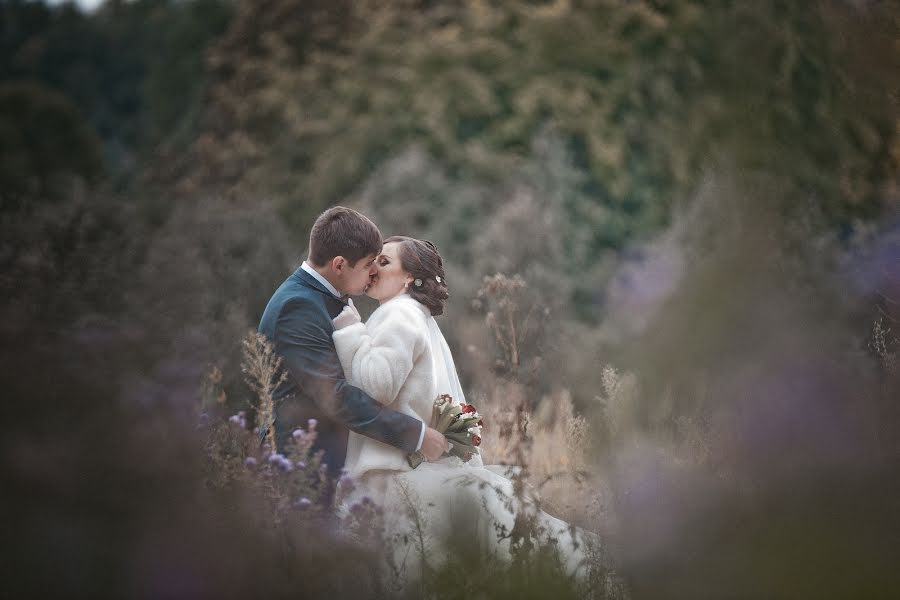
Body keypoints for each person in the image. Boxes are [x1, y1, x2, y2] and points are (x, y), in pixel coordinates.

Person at [331, 236, 602, 589]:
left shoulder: (398, 314)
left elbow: (376, 387)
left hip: (395, 476)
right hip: (414, 468)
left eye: (384, 262)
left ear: (411, 277)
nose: (372, 268)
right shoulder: (420, 318)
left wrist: (350, 330)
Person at [257, 207, 449, 480]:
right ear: (338, 265)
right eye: (369, 263)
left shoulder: (325, 297)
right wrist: (415, 435)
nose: (373, 273)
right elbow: (334, 396)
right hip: (299, 464)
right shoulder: (297, 307)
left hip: (326, 463)